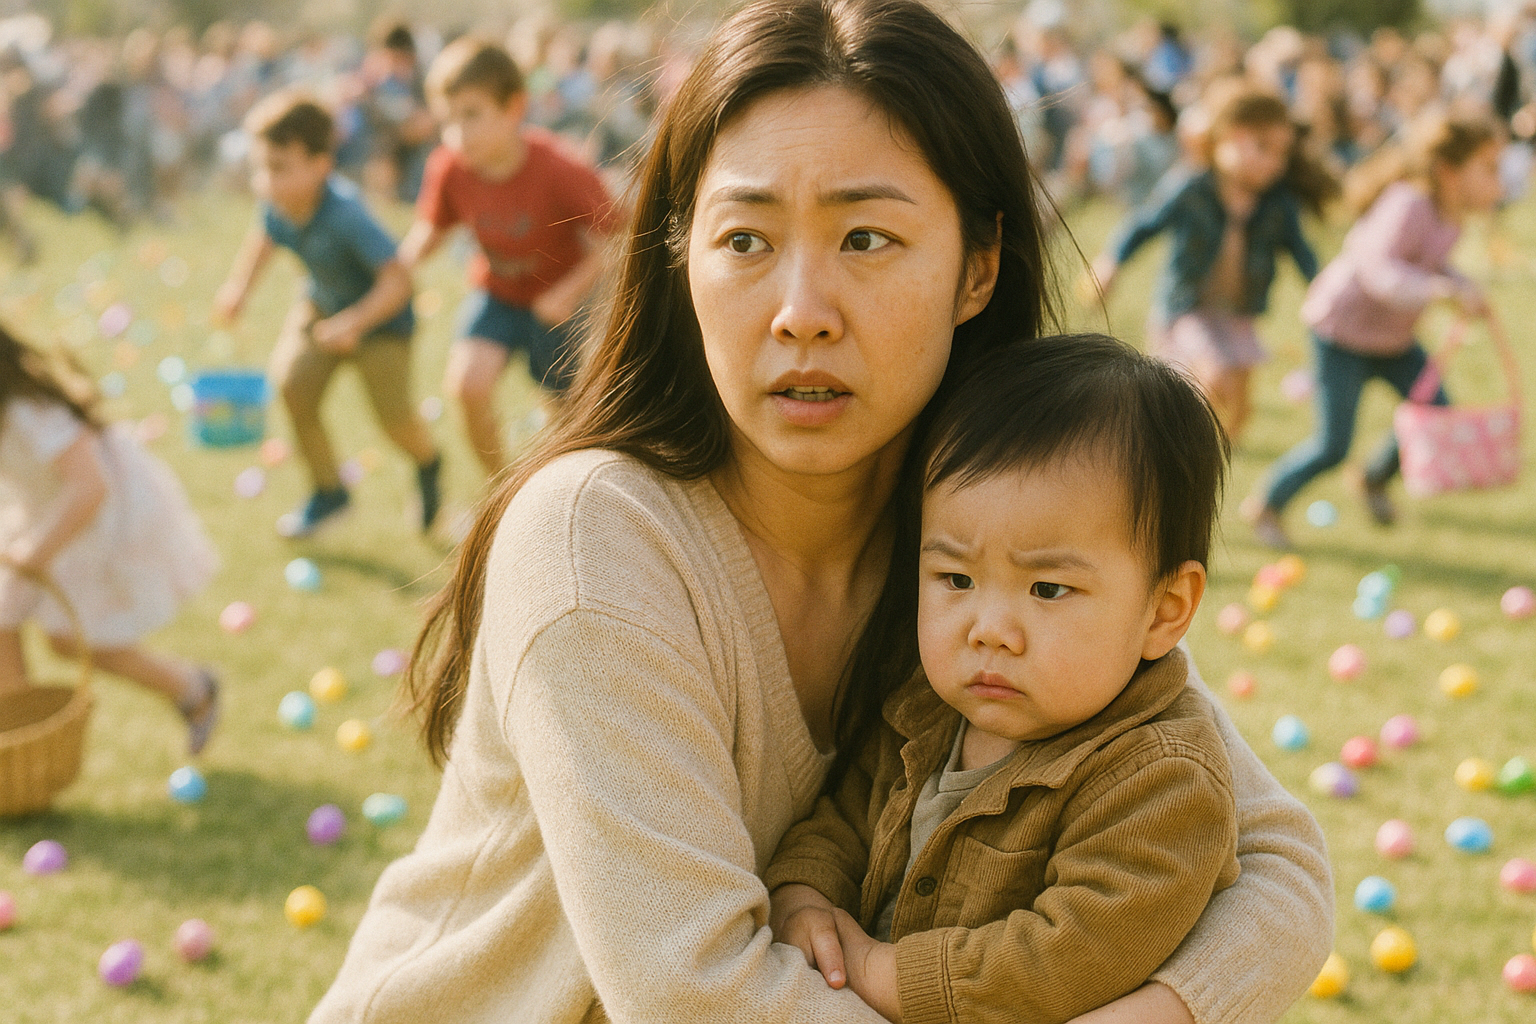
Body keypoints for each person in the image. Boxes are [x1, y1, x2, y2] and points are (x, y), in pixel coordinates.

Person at [311, 3, 1332, 1022]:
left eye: (867, 237)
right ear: (681, 257)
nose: (802, 308)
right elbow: (696, 989)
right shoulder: (595, 537)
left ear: (979, 267)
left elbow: (1276, 861)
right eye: (746, 238)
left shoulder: (987, 532)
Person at [764, 333, 1239, 1023]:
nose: (987, 628)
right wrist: (803, 893)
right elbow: (845, 820)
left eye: (1047, 589)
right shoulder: (924, 709)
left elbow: (1066, 957)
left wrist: (876, 969)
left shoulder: (1161, 782)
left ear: (1164, 612)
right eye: (955, 578)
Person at [1249, 112, 1502, 549]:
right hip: (1341, 334)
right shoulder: (1408, 202)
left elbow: (1430, 262)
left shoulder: (1450, 215)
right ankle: (1266, 504)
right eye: (1489, 168)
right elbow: (1378, 270)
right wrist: (1439, 290)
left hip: (1392, 339)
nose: (1498, 180)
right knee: (1333, 444)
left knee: (1435, 415)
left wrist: (1461, 286)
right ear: (1448, 170)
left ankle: (1372, 478)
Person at [215, 90, 442, 538]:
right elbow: (265, 236)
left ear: (321, 165)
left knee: (394, 421)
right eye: (261, 167)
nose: (266, 181)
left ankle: (428, 462)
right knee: (293, 386)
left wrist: (356, 322)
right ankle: (329, 491)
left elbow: (398, 281)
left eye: (279, 168)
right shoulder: (278, 204)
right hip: (321, 309)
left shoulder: (347, 215)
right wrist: (239, 289)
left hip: (382, 325)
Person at [398, 37, 621, 477]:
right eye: (448, 120)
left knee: (570, 416)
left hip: (562, 308)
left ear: (514, 108)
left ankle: (564, 490)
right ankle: (500, 491)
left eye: (472, 115)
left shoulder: (560, 169)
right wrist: (396, 267)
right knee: (467, 386)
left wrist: (567, 292)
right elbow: (431, 230)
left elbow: (615, 241)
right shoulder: (449, 167)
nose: (458, 134)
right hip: (497, 294)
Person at [0, 324, 219, 754]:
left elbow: (90, 488)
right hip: (48, 510)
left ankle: (194, 687)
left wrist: (36, 553)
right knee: (2, 613)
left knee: (66, 639)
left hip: (100, 515)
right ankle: (14, 738)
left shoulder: (29, 411)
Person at [1091, 82, 1331, 441]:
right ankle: (1174, 442)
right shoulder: (1192, 186)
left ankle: (1205, 452)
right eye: (1261, 148)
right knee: (1213, 379)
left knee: (1240, 407)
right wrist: (1111, 262)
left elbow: (1300, 251)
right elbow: (1145, 224)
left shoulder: (1278, 203)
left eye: (1281, 154)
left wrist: (1324, 288)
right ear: (1223, 139)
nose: (1272, 163)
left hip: (1238, 313)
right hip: (1188, 309)